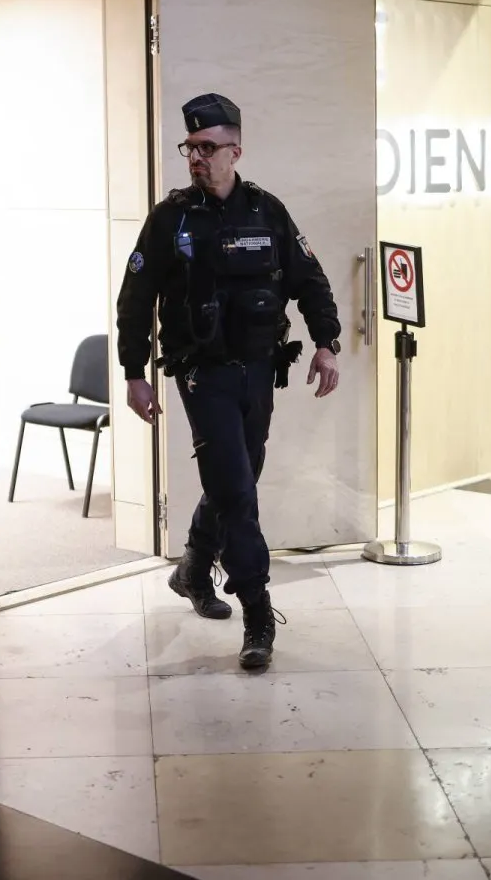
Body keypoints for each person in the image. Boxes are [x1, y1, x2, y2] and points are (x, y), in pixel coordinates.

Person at [116, 93, 341, 671]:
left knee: (241, 475)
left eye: (207, 147)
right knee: (237, 491)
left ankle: (194, 567)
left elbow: (309, 279)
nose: (196, 157)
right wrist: (134, 372)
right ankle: (257, 614)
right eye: (190, 147)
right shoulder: (170, 219)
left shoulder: (267, 211)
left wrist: (326, 342)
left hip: (260, 370)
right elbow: (135, 299)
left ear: (235, 151)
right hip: (202, 373)